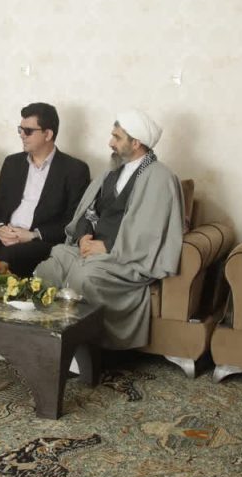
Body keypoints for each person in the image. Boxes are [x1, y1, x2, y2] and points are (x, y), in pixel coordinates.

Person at [34, 110, 183, 350]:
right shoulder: (113, 171)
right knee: (48, 268)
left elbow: (150, 232)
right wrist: (83, 237)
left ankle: (81, 348)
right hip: (92, 249)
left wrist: (106, 246)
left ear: (136, 143)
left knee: (85, 277)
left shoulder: (160, 177)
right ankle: (40, 337)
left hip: (126, 257)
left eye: (117, 137)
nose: (110, 142)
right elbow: (89, 209)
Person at [0, 103, 90, 276]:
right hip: (6, 233)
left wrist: (33, 235)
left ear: (48, 134)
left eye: (28, 131)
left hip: (39, 240)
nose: (22, 135)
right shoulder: (12, 163)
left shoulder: (75, 169)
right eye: (20, 130)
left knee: (7, 257)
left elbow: (73, 219)